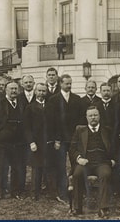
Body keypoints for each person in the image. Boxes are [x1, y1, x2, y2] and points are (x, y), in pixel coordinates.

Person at [69, 106, 116, 219]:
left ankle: (103, 208)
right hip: (86, 162)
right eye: (90, 115)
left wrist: (113, 159)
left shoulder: (107, 130)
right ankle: (77, 207)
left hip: (102, 162)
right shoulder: (80, 130)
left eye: (95, 115)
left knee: (105, 174)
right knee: (77, 174)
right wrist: (79, 158)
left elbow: (115, 146)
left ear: (99, 116)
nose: (93, 118)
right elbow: (72, 148)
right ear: (86, 117)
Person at [47, 73, 84, 203]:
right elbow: (52, 122)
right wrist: (56, 139)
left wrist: (77, 137)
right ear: (60, 83)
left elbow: (81, 119)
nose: (69, 85)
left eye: (70, 83)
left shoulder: (77, 99)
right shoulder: (53, 100)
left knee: (76, 165)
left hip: (74, 139)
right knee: (60, 166)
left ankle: (76, 190)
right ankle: (62, 192)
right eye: (66, 83)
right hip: (60, 140)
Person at [0, 81, 26, 199]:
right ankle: (0, 190)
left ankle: (15, 191)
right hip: (3, 140)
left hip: (18, 141)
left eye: (15, 89)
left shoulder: (22, 103)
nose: (13, 91)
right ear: (5, 90)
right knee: (2, 166)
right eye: (11, 89)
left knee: (17, 167)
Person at [24, 83, 52, 200]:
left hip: (48, 141)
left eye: (43, 91)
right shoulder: (30, 107)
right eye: (39, 91)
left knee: (49, 166)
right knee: (36, 166)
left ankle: (49, 189)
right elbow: (27, 127)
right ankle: (35, 193)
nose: (41, 93)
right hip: (36, 142)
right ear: (35, 92)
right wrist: (31, 142)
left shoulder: (50, 106)